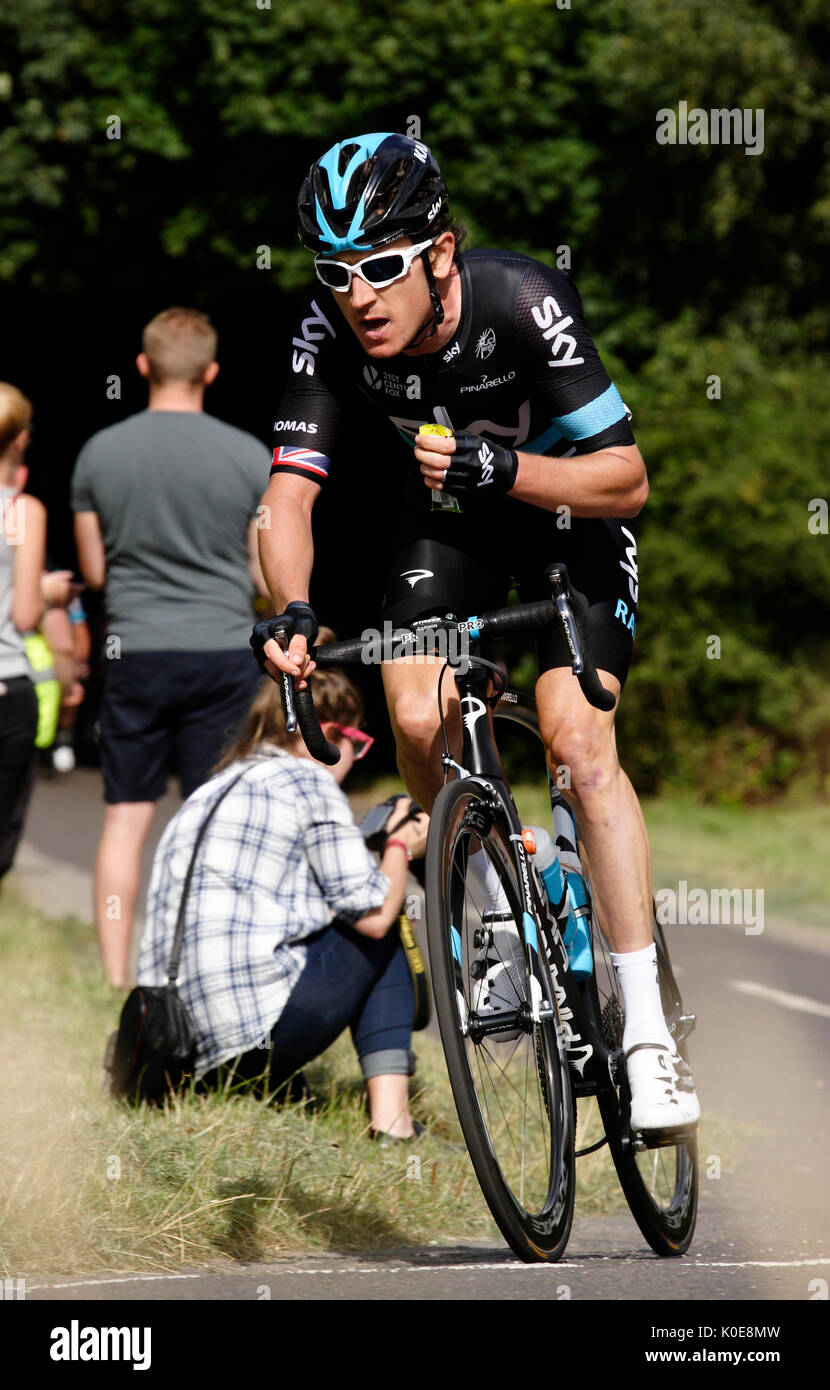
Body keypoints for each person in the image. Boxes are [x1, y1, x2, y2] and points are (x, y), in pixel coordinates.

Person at [252, 133, 699, 1134]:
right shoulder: (326, 330)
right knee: (413, 715)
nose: (356, 294)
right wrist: (287, 607)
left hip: (565, 512)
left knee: (577, 740)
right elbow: (286, 495)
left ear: (439, 255)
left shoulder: (517, 298)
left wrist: (508, 471)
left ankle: (644, 1034)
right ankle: (494, 902)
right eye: (334, 271)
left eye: (378, 266)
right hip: (449, 519)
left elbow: (625, 479)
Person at [137, 640, 429, 1141]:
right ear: (331, 733)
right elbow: (374, 913)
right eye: (357, 743)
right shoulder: (310, 783)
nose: (355, 757)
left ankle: (253, 1087)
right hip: (251, 1036)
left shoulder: (213, 787)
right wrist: (399, 845)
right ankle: (393, 1126)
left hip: (178, 1042)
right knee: (385, 916)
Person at [72, 308, 271, 988]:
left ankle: (118, 981)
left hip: (136, 653)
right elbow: (262, 576)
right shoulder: (249, 456)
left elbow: (96, 573)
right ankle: (206, 976)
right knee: (213, 821)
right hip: (222, 653)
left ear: (143, 366)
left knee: (125, 820)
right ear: (212, 371)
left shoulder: (99, 454)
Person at [0, 383, 47, 884]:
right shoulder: (22, 514)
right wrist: (48, 592)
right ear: (18, 441)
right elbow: (27, 614)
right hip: (9, 682)